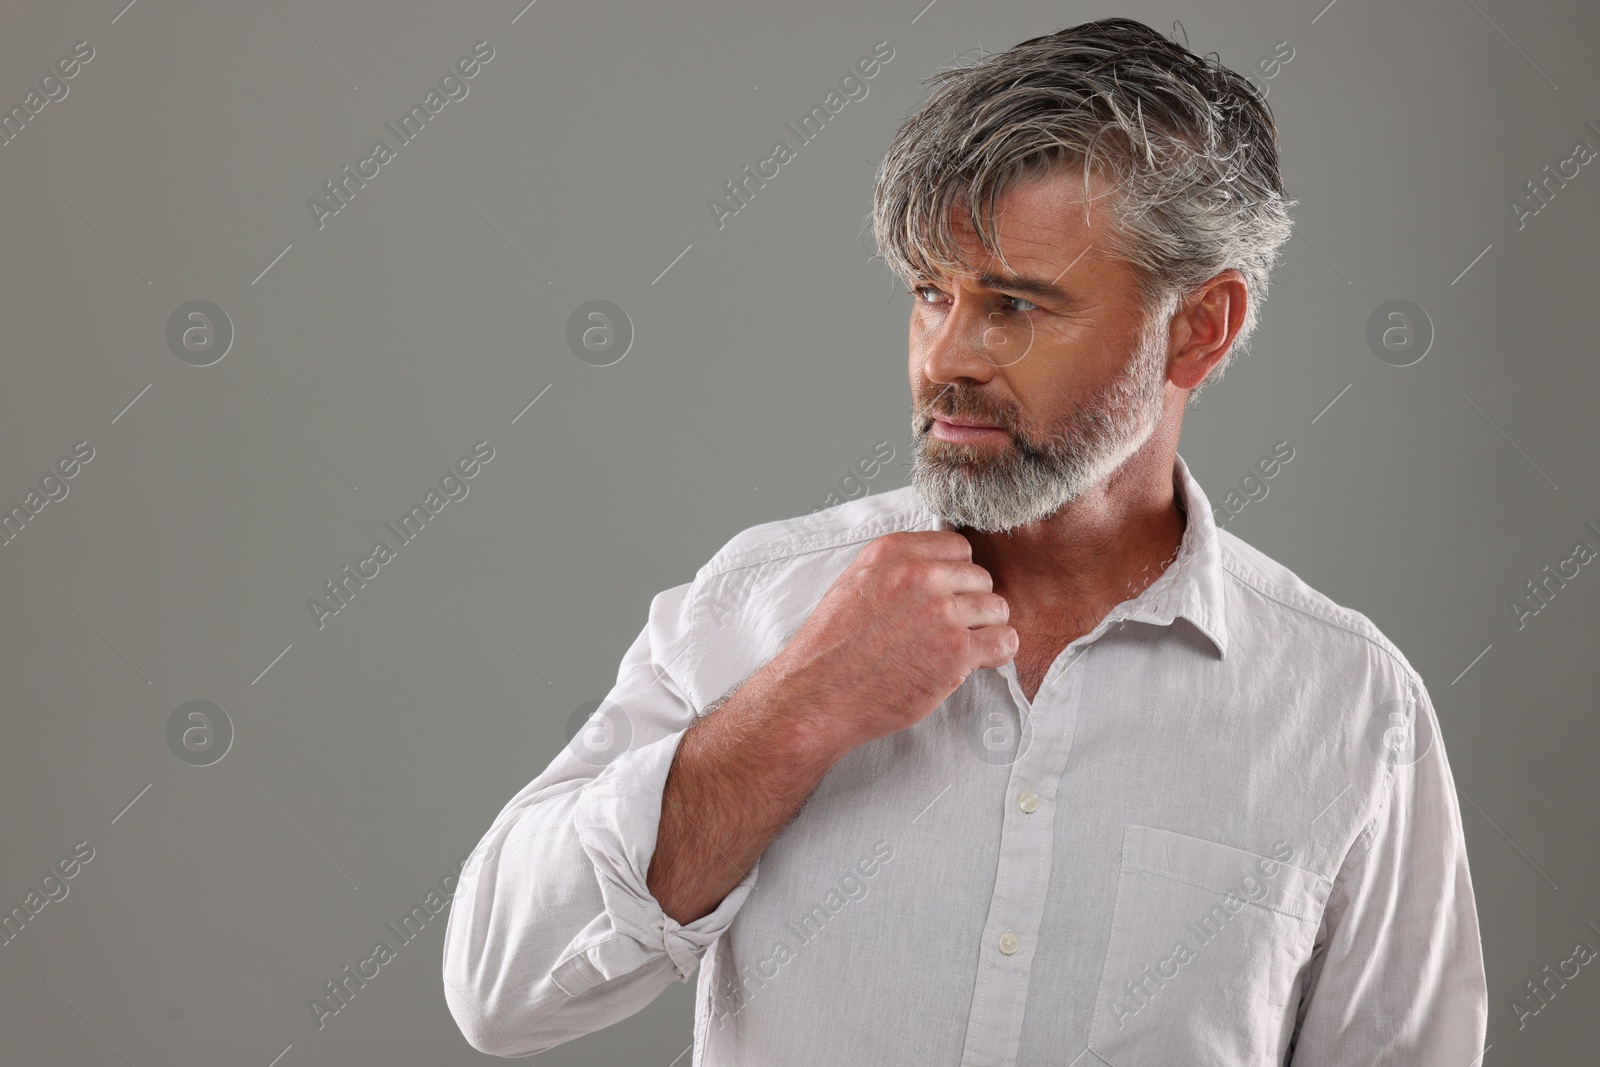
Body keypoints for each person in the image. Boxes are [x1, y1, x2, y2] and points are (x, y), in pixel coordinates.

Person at [441, 17, 1487, 1064]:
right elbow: (503, 988)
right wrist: (796, 708)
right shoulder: (760, 605)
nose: (946, 357)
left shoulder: (1349, 706)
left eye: (1017, 306)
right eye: (932, 293)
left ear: (1198, 327)